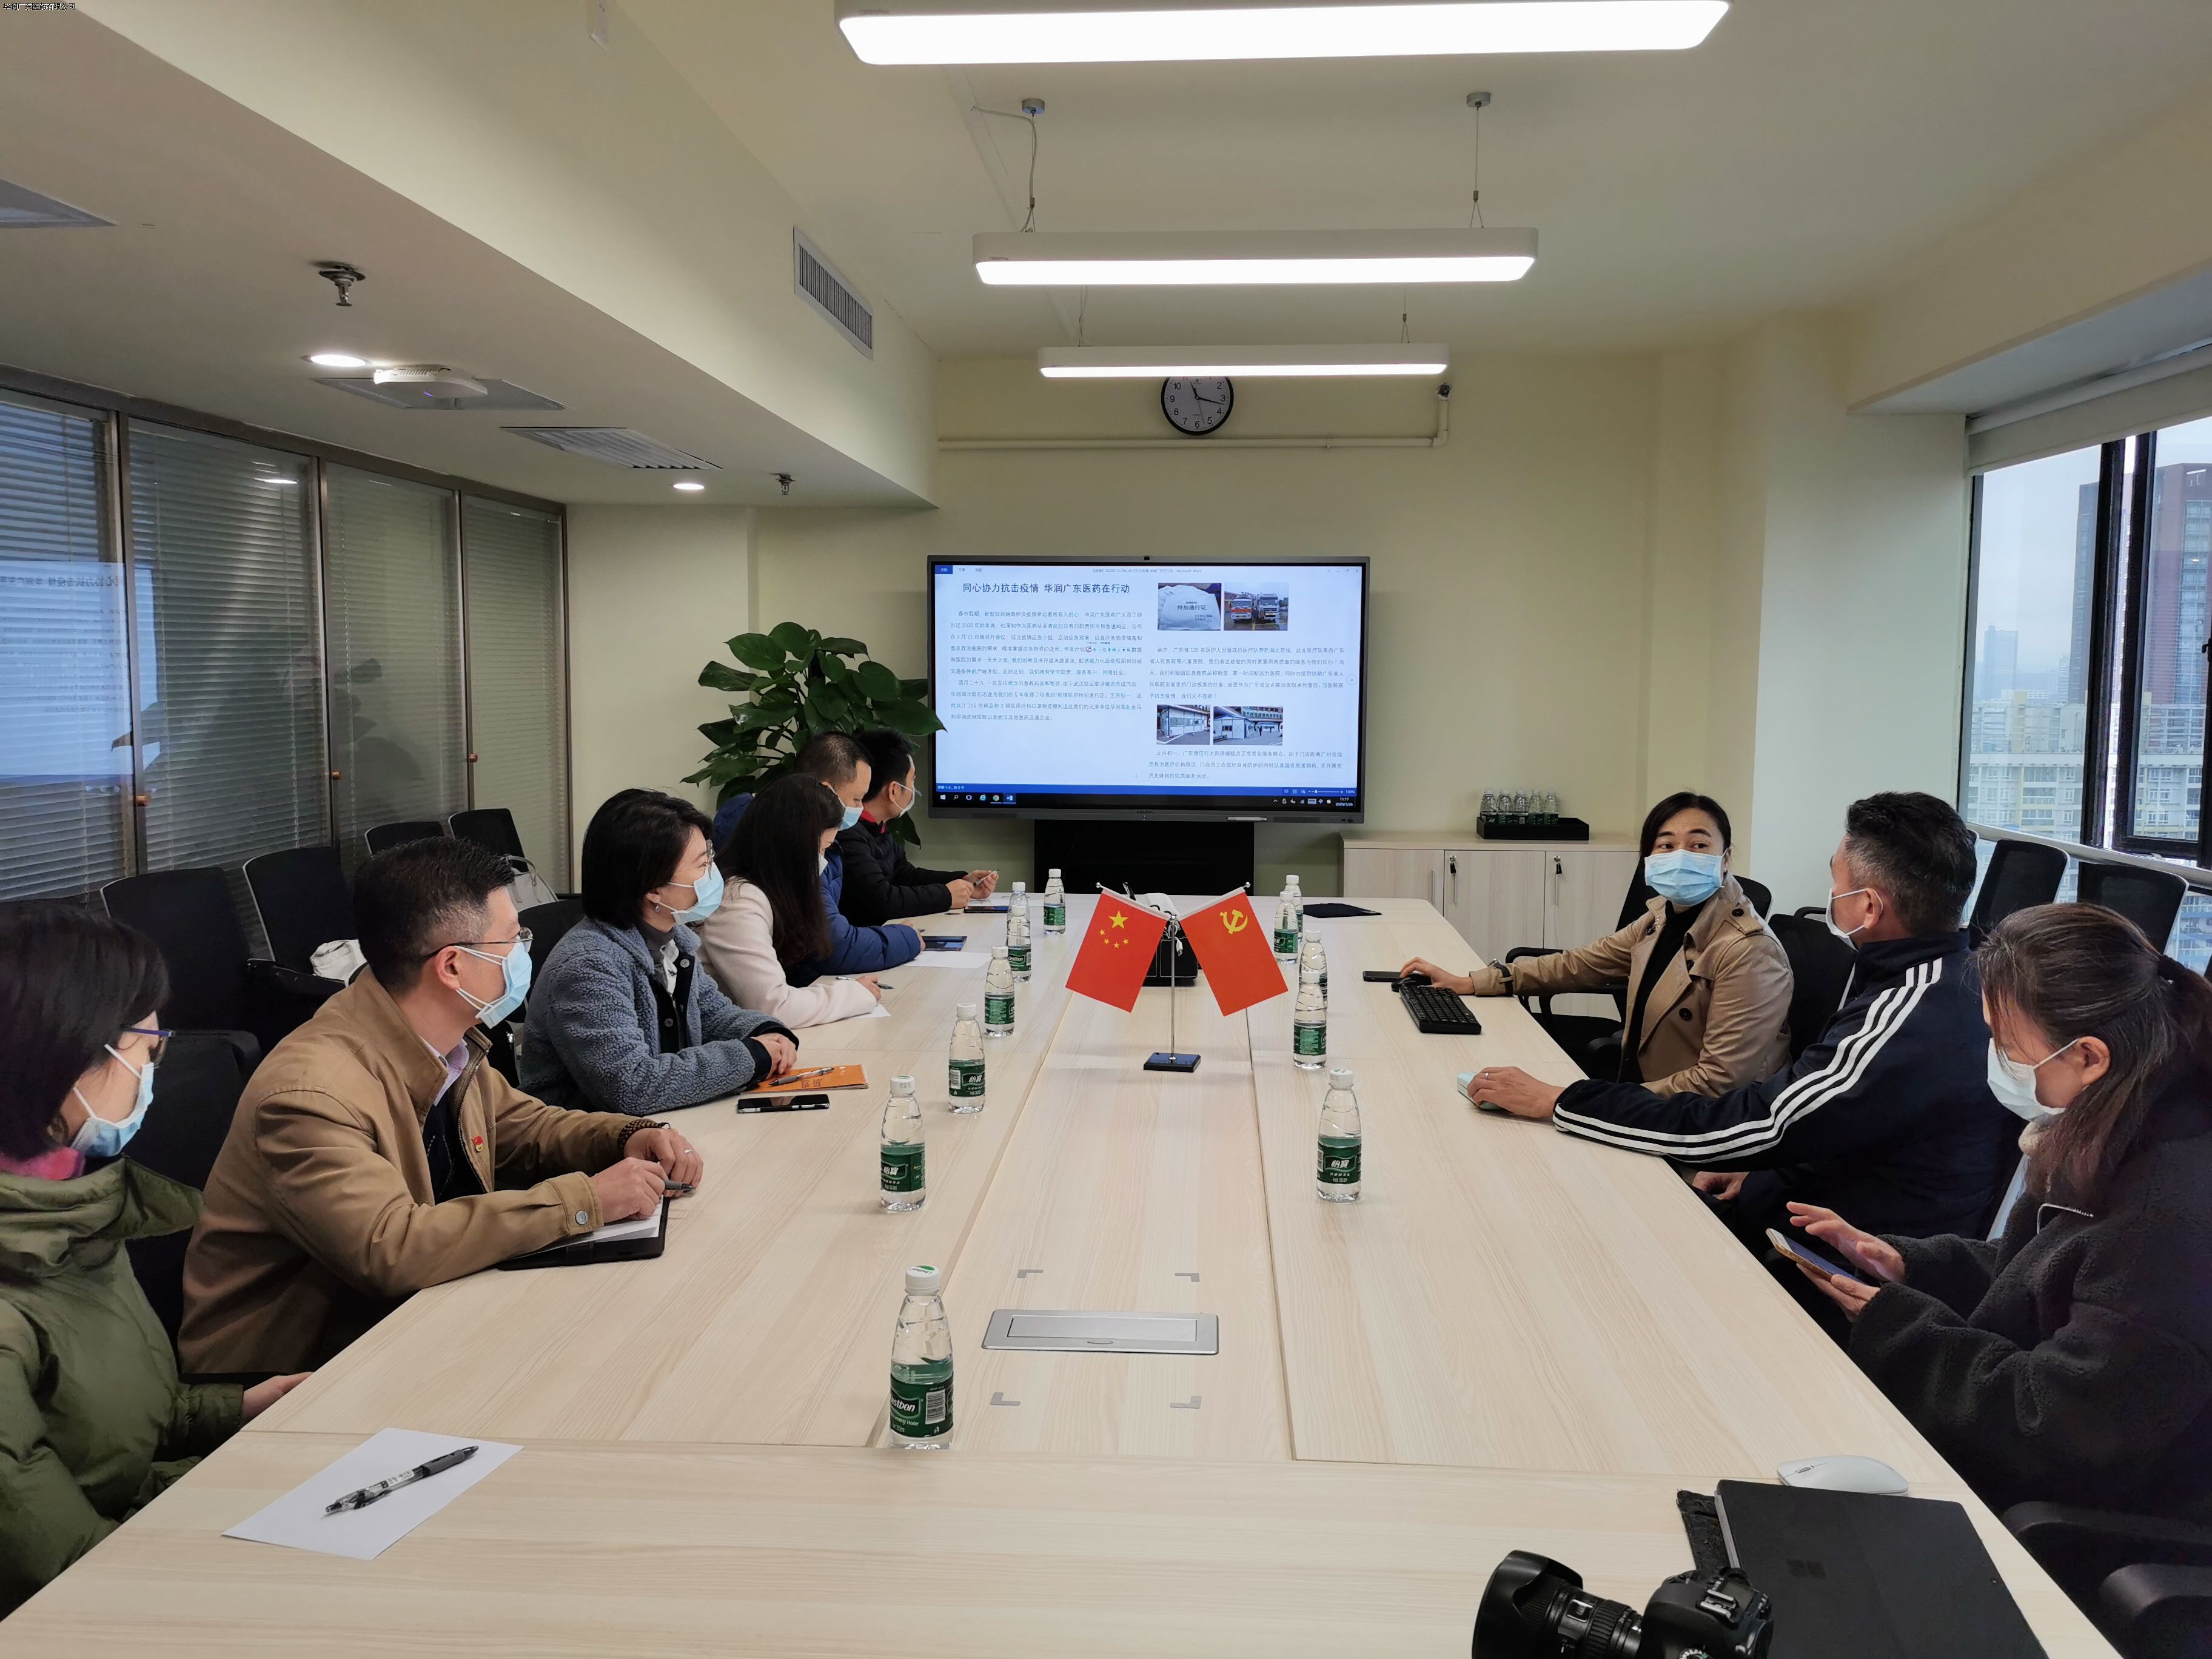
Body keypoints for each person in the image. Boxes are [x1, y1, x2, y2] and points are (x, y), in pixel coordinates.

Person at [181, 838, 702, 1374]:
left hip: (409, 1325)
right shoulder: (308, 1096)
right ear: (452, 966)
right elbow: (391, 1248)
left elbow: (524, 1127)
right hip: (295, 1378)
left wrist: (625, 1135)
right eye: (513, 939)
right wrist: (585, 1200)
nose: (524, 952)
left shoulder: (442, 1039)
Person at [1791, 903, 2212, 1521]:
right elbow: (2041, 1272)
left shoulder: (2164, 1221)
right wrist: (1911, 1265)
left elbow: (2058, 1426)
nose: (1995, 1057)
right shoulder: (2116, 1126)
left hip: (2064, 1514)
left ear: (2089, 1057)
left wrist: (1898, 1326)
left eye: (2008, 1046)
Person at [1469, 792, 2016, 1246]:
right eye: (1665, 844)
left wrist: (1564, 1101)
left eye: (1836, 882)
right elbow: (1831, 1117)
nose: (1830, 896)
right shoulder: (1938, 979)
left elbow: (1764, 1119)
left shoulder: (1907, 1010)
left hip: (1839, 1254)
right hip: (1795, 1190)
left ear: (1869, 907)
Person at [0, 905, 306, 1613]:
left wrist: (239, 1409)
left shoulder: (67, 1204)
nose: (151, 1071)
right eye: (147, 1048)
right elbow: (64, 1571)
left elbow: (103, 1421)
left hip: (145, 1533)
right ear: (68, 1056)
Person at [1401, 792, 1790, 1096]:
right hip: (1641, 1093)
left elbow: (1718, 1082)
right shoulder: (1662, 917)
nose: (1681, 857)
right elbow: (1582, 963)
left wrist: (1579, 1101)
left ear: (1726, 859)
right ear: (1649, 857)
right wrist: (1474, 981)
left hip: (1694, 1127)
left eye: (1699, 846)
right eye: (1666, 845)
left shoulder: (1750, 952)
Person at [521, 789, 800, 1114]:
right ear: (653, 889)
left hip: (667, 1121)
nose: (713, 872)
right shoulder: (588, 967)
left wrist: (765, 1032)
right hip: (595, 1137)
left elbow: (712, 1014)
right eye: (702, 864)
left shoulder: (674, 939)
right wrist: (750, 1056)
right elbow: (632, 1087)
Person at [711, 734, 922, 983]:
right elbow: (833, 945)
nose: (860, 809)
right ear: (825, 791)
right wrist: (906, 938)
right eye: (856, 799)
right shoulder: (787, 841)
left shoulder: (770, 822)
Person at [699, 775, 883, 1027]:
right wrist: (854, 995)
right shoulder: (738, 901)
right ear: (790, 845)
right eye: (820, 849)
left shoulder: (770, 889)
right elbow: (775, 1007)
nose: (822, 860)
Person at [837, 727, 999, 925]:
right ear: (894, 791)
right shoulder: (847, 833)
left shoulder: (877, 827)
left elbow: (904, 875)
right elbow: (883, 900)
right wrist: (946, 895)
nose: (913, 790)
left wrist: (964, 881)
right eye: (911, 782)